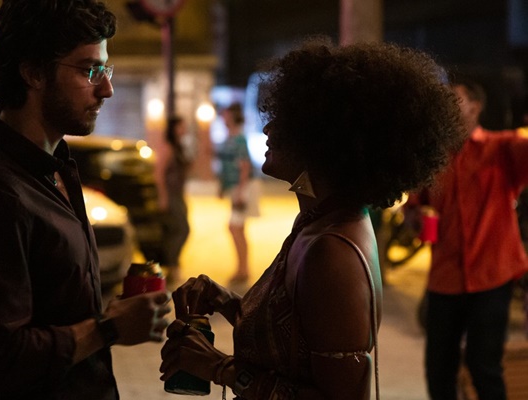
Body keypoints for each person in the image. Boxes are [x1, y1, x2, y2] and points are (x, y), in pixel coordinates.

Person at [158, 38, 465, 399]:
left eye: (287, 121)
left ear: (326, 141)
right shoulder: (320, 221)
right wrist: (227, 301)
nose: (269, 129)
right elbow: (295, 340)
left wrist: (218, 367)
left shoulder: (332, 250)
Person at [0, 1, 171, 399]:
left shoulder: (54, 164)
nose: (107, 88)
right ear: (33, 72)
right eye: (90, 70)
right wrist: (108, 327)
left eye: (106, 68)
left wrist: (118, 315)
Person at [422, 78, 528, 400]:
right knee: (438, 369)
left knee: (485, 368)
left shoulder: (501, 148)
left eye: (455, 100)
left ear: (475, 106)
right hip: (444, 278)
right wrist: (418, 221)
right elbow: (418, 206)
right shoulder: (433, 158)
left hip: (492, 277)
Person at [216, 103, 259, 283]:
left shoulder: (238, 138)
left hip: (243, 188)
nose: (223, 118)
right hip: (236, 188)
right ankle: (242, 268)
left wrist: (241, 192)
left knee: (235, 227)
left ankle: (243, 269)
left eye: (225, 115)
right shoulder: (231, 137)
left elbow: (244, 166)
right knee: (237, 228)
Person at [153, 115, 191, 282]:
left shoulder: (179, 147)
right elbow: (158, 174)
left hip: (179, 194)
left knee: (178, 230)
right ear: (173, 129)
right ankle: (171, 265)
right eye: (181, 126)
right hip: (170, 195)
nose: (184, 130)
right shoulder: (167, 147)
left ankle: (172, 266)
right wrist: (163, 197)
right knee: (182, 230)